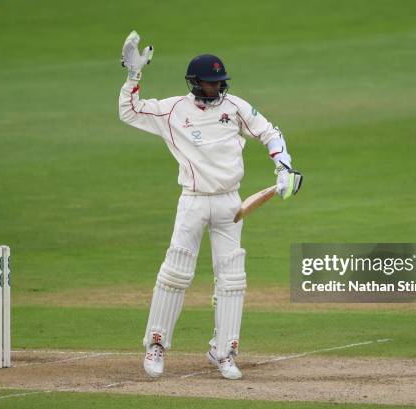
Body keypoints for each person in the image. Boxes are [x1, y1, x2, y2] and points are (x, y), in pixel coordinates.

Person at [118, 30, 303, 380]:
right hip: (193, 201)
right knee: (175, 273)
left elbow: (270, 132)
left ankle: (224, 352)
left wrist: (284, 167)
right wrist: (133, 76)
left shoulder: (236, 108)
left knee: (232, 279)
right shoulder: (173, 110)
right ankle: (156, 345)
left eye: (219, 83)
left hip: (230, 203)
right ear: (194, 83)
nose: (216, 89)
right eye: (209, 84)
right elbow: (129, 112)